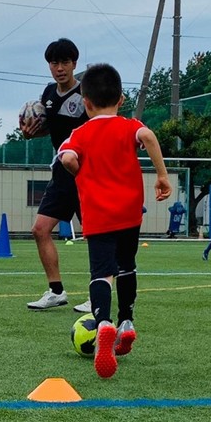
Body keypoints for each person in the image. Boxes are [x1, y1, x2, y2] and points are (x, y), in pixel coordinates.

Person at [59, 63, 172, 379]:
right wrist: (162, 175)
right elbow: (147, 135)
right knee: (127, 266)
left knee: (101, 273)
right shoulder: (129, 126)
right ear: (121, 99)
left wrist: (78, 170)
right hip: (129, 212)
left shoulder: (79, 133)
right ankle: (126, 323)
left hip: (98, 214)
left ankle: (104, 324)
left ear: (86, 103)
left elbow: (67, 157)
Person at [21, 38, 91, 312]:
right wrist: (31, 132)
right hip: (62, 172)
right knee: (40, 230)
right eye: (54, 63)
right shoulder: (49, 94)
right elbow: (51, 128)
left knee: (95, 235)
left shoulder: (86, 93)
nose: (59, 68)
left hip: (86, 172)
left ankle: (97, 294)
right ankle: (56, 291)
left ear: (74, 64)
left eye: (65, 62)